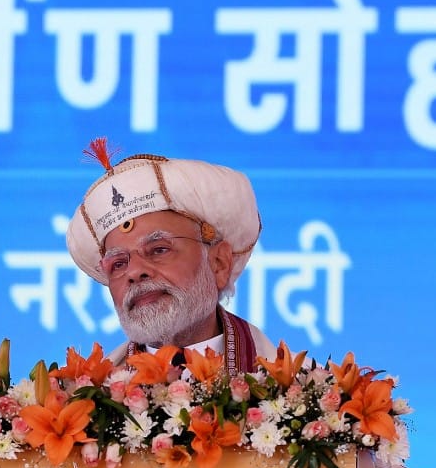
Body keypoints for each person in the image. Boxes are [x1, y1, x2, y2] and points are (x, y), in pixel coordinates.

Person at [66, 138, 279, 374]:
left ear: (219, 264)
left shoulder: (305, 388)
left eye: (158, 250)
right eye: (118, 264)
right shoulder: (87, 393)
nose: (134, 272)